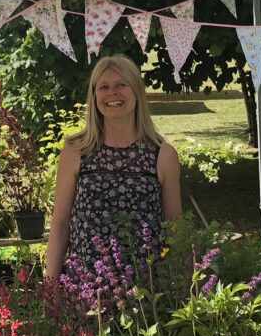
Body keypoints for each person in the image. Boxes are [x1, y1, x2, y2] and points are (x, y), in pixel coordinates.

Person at [46, 55, 182, 280]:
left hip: (148, 291)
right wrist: (51, 288)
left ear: (137, 92)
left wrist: (181, 286)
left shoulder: (163, 155)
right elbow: (60, 223)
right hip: (87, 288)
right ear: (94, 95)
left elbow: (175, 229)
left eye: (121, 85)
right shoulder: (76, 150)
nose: (112, 93)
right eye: (104, 87)